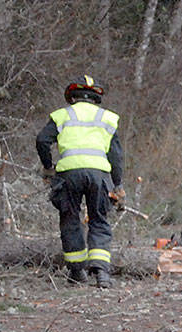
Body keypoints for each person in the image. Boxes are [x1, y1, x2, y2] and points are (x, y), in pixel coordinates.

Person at [36, 75, 125, 289]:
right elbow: (116, 156)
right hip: (99, 174)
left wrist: (49, 167)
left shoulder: (61, 115)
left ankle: (77, 273)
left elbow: (42, 140)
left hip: (68, 174)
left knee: (70, 219)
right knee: (99, 219)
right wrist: (118, 184)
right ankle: (102, 274)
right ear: (96, 97)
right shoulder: (108, 118)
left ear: (72, 96)